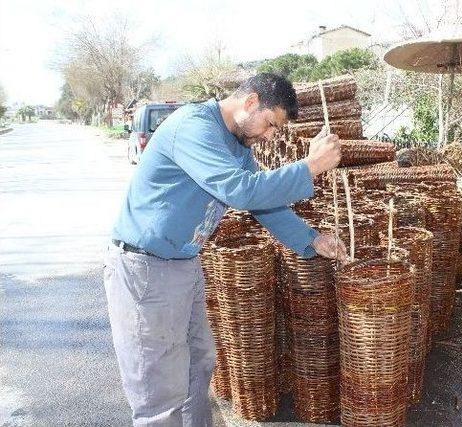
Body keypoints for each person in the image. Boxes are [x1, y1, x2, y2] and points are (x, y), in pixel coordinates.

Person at [103, 73, 347, 426]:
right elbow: (241, 191)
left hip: (182, 266)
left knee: (197, 369)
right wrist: (310, 167)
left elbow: (264, 203)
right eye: (270, 124)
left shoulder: (235, 143)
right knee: (160, 394)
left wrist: (311, 239)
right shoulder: (193, 127)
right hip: (145, 271)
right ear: (250, 102)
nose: (269, 136)